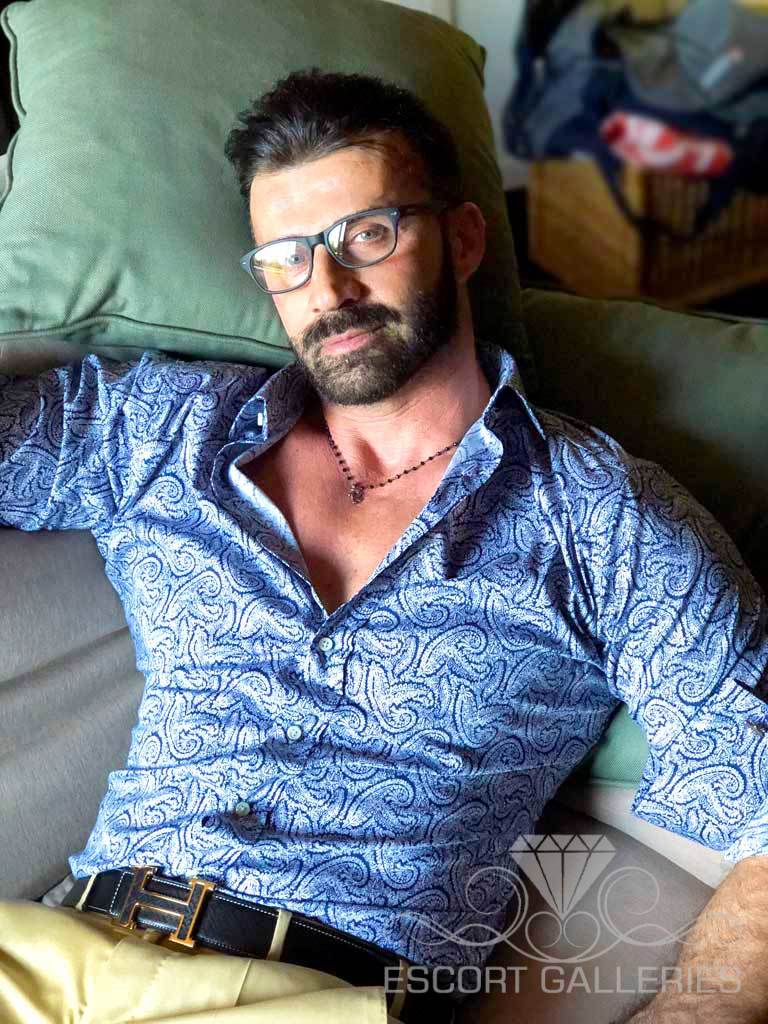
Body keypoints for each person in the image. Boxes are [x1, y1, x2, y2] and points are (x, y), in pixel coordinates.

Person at [0, 67, 767, 1024]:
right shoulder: (164, 430)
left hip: (328, 994)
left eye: (367, 234)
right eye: (285, 257)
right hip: (58, 952)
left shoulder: (605, 521)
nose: (328, 289)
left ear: (464, 238)